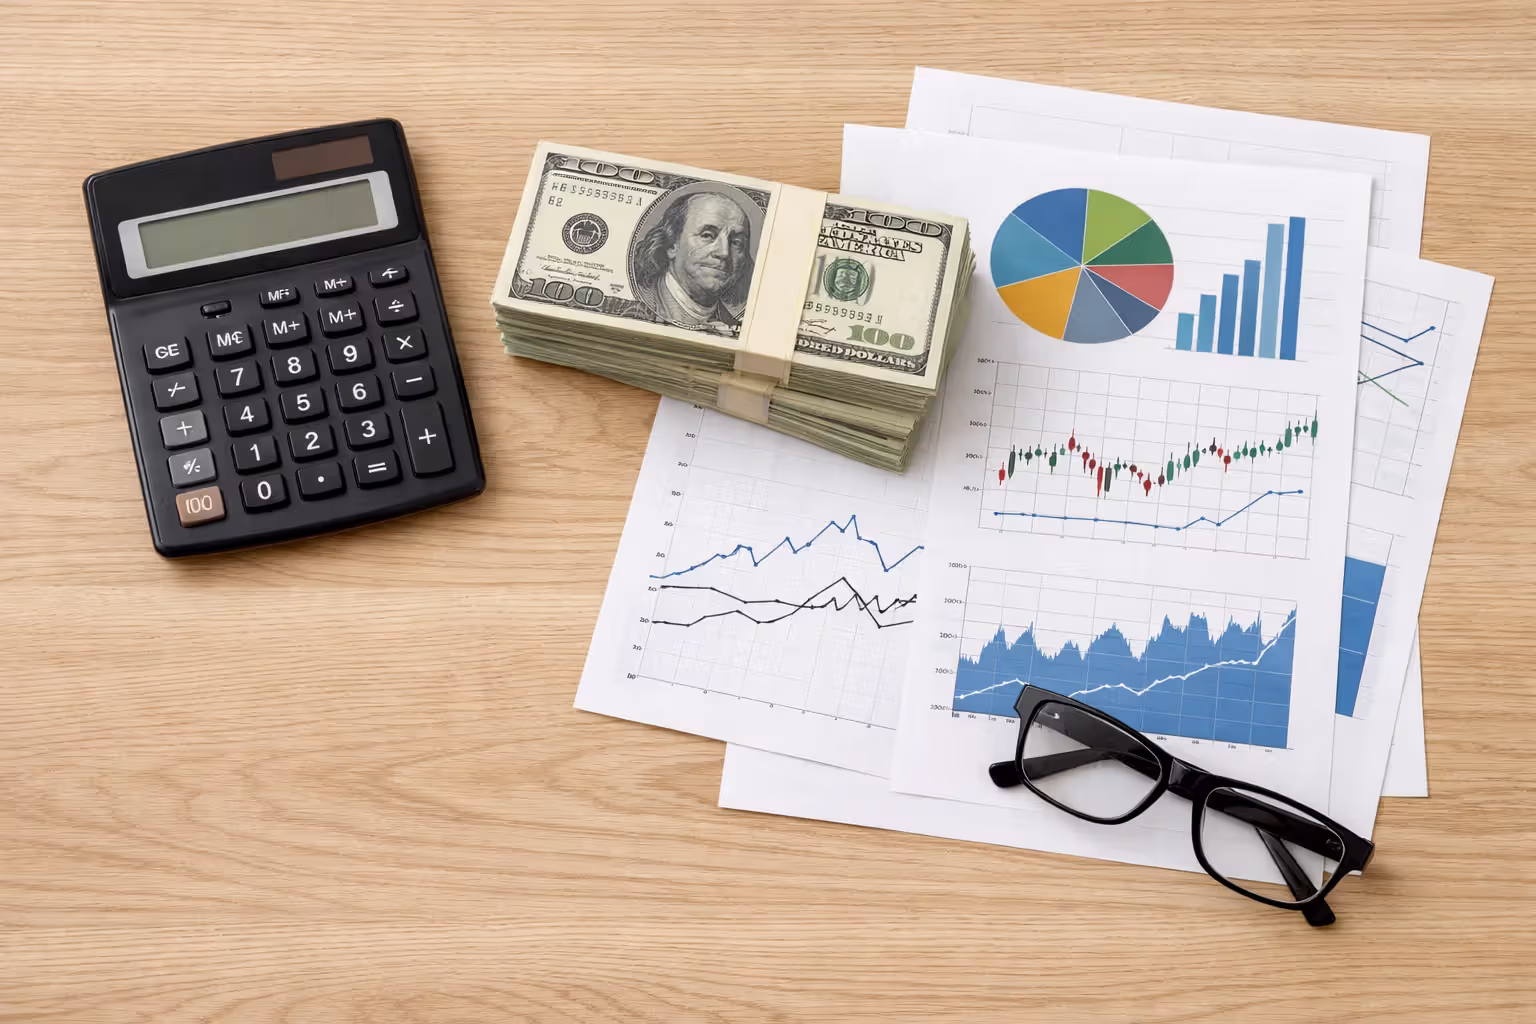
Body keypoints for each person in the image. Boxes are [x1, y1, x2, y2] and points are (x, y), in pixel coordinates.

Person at [632, 191, 754, 332]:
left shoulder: (734, 327)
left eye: (736, 242)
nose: (724, 252)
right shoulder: (638, 304)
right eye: (707, 235)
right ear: (672, 244)